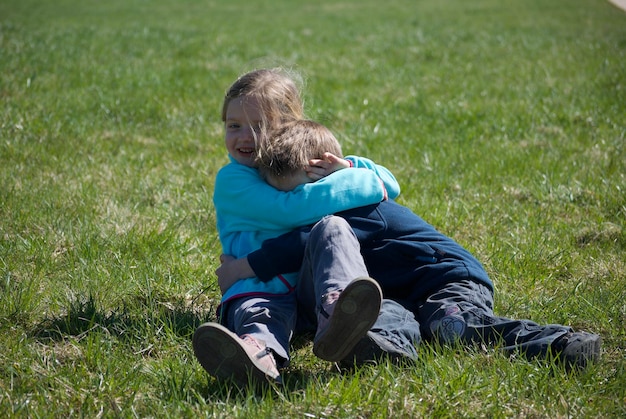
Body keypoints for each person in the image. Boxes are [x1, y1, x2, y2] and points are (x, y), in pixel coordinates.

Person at [219, 119, 602, 371]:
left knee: (454, 325)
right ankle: (380, 349)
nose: (303, 210)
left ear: (326, 175)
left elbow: (304, 241)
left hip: (444, 279)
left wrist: (245, 266)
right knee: (381, 317)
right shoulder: (335, 203)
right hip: (398, 292)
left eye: (306, 197)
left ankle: (559, 344)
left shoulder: (359, 205)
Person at [192, 68, 406, 388]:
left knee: (333, 228)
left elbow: (392, 182)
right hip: (259, 284)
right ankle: (257, 357)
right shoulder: (233, 180)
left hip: (313, 288)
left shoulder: (300, 162)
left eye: (260, 126)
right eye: (234, 125)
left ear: (288, 128)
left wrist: (345, 167)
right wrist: (358, 181)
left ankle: (339, 313)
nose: (244, 137)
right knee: (259, 315)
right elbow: (290, 210)